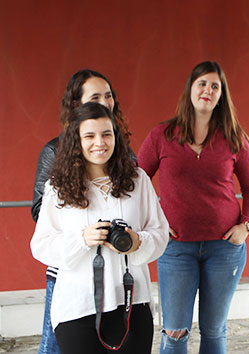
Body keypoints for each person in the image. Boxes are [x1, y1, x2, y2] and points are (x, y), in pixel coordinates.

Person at [138, 61, 249, 354]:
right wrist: (153, 223)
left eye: (215, 86)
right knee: (175, 332)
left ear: (221, 95)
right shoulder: (162, 135)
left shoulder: (234, 138)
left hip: (225, 249)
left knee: (214, 331)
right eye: (202, 84)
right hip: (176, 248)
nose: (208, 90)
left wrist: (246, 224)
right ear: (190, 90)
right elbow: (136, 181)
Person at [30, 102, 169, 354]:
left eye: (107, 134)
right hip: (78, 309)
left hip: (132, 303)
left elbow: (160, 234)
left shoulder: (138, 180)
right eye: (89, 135)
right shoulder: (57, 187)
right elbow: (41, 245)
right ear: (76, 140)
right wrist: (82, 239)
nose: (99, 142)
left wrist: (137, 242)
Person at [31, 69, 136, 354]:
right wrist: (84, 230)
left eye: (109, 95)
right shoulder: (55, 150)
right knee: (54, 344)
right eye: (96, 96)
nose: (105, 102)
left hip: (116, 269)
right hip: (69, 266)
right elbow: (41, 210)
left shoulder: (124, 152)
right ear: (76, 104)